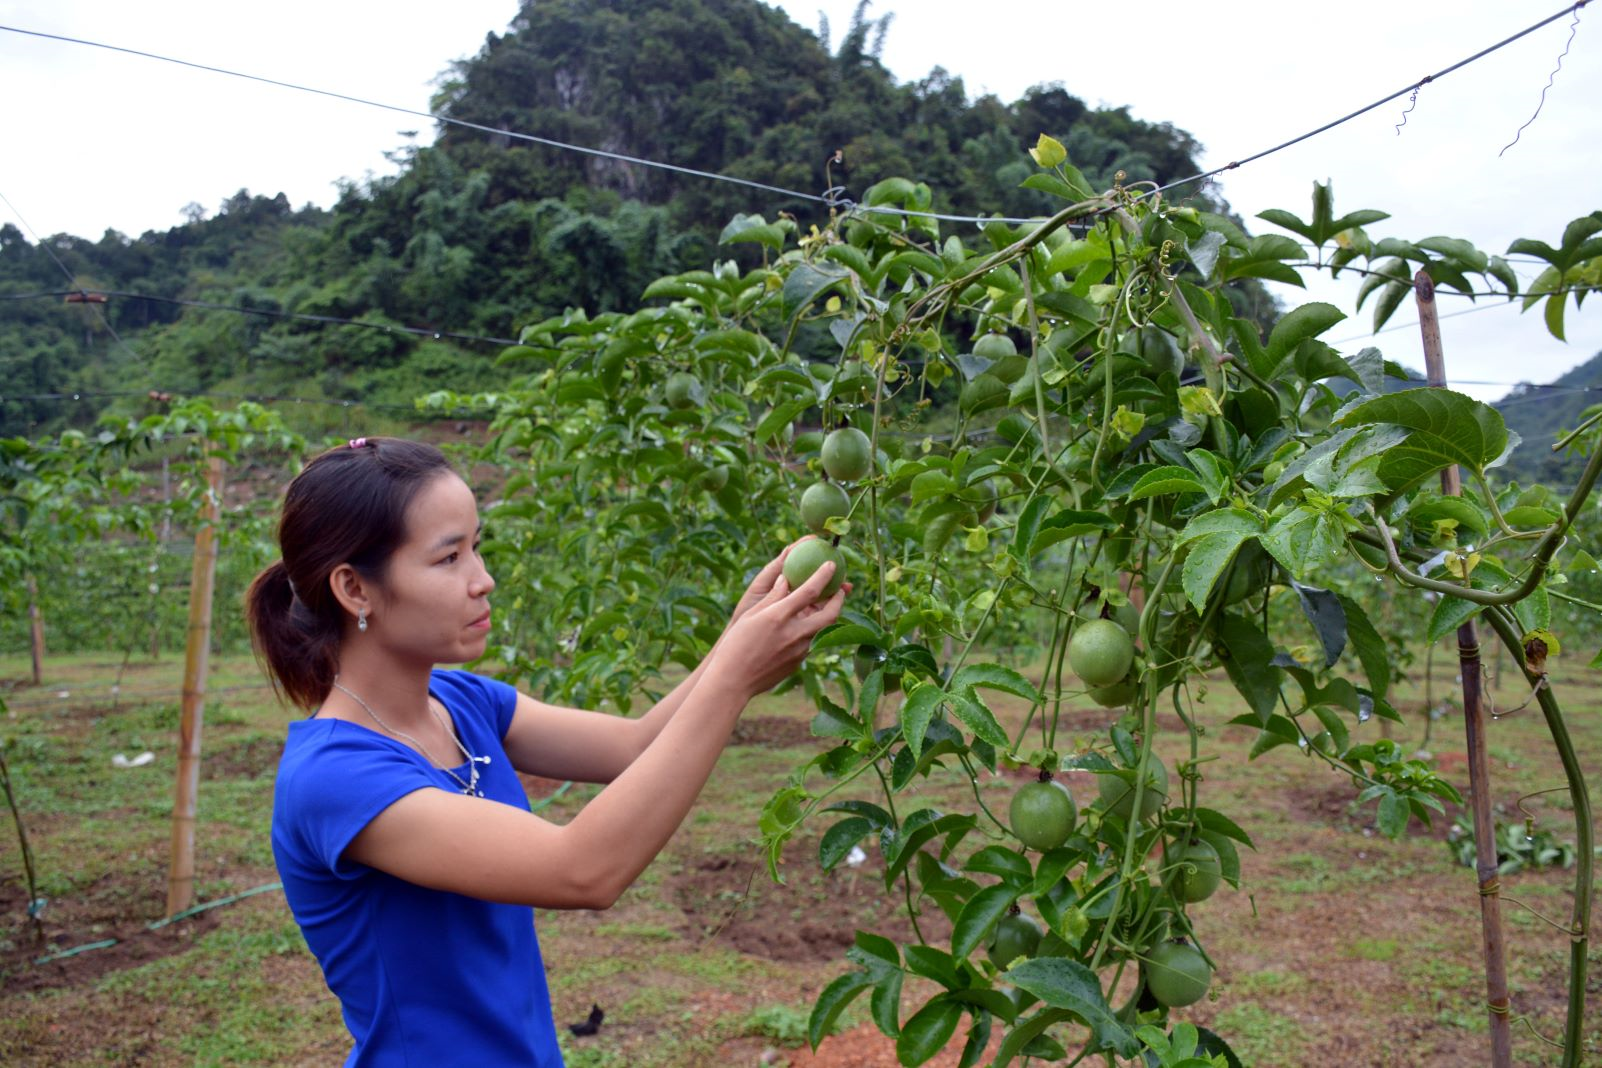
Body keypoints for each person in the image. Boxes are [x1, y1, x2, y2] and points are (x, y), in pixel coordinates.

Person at [246, 437, 846, 1067]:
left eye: (476, 546)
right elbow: (582, 869)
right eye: (449, 558)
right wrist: (734, 679)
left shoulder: (460, 702)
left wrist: (738, 633)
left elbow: (634, 745)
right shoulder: (336, 776)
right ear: (354, 589)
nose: (483, 580)